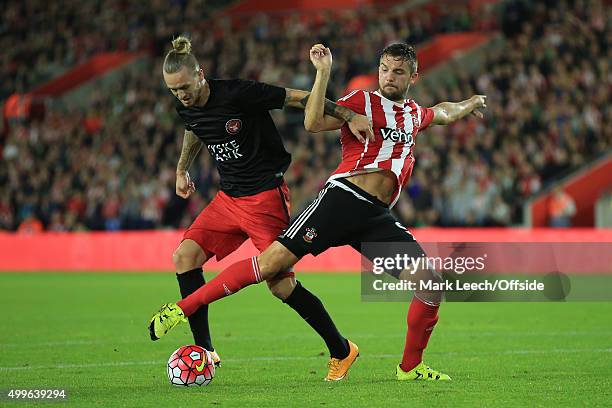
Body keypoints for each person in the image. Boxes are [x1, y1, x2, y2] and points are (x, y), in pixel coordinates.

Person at [150, 42, 487, 381]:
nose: (388, 77)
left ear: (414, 76)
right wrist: (323, 72)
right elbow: (311, 121)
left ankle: (410, 368)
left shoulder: (415, 114)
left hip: (375, 217)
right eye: (384, 69)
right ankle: (182, 309)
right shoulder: (363, 101)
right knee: (272, 267)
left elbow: (443, 112)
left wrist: (469, 103)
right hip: (343, 199)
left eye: (398, 71)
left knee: (430, 286)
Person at [150, 36, 374, 379]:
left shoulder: (238, 93)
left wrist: (346, 114)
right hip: (227, 199)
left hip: (264, 197)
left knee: (280, 285)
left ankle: (342, 350)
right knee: (183, 257)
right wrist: (182, 169)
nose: (180, 95)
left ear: (200, 74)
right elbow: (194, 128)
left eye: (184, 87)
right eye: (173, 91)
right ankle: (206, 352)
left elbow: (297, 98)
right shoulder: (186, 105)